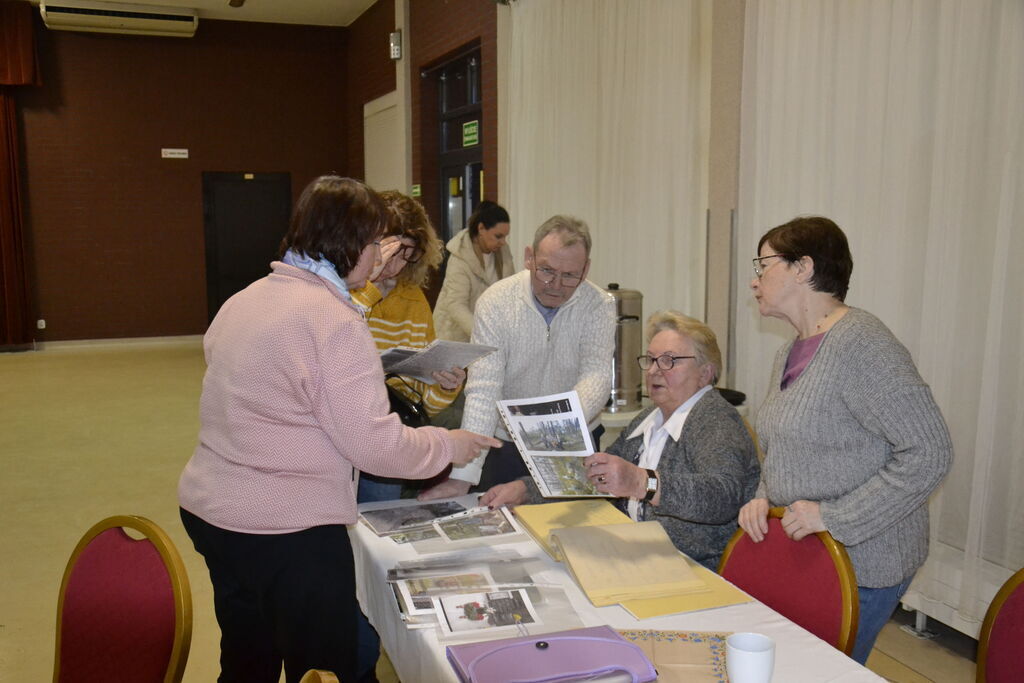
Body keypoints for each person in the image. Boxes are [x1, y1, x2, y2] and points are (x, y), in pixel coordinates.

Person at [177, 176, 499, 683]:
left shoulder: (247, 297)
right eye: (376, 243)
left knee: (247, 658)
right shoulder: (333, 320)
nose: (380, 257)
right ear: (349, 242)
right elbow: (377, 447)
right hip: (284, 529)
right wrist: (450, 445)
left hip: (213, 513)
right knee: (327, 668)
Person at [736, 215, 952, 665]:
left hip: (866, 561)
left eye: (763, 265)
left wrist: (837, 516)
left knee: (821, 672)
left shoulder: (863, 344)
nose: (755, 281)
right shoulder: (788, 350)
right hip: (810, 554)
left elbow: (930, 451)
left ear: (802, 268)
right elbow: (783, 449)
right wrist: (762, 497)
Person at [482, 311, 760, 570]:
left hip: (689, 568)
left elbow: (722, 497)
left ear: (705, 373)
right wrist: (526, 489)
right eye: (650, 359)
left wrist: (641, 482)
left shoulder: (716, 420)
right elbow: (597, 477)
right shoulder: (650, 416)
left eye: (669, 360)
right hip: (636, 556)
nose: (653, 370)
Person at [419, 215, 616, 500]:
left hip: (572, 439)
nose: (556, 285)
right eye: (546, 270)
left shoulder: (599, 304)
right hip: (506, 443)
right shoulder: (496, 301)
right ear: (528, 257)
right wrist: (463, 475)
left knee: (568, 531)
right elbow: (484, 389)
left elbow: (596, 375)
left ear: (586, 270)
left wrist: (554, 426)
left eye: (570, 275)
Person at [351, 190, 466, 502]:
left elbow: (422, 398)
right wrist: (370, 288)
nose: (396, 265)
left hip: (388, 426)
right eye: (391, 251)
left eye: (408, 254)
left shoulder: (412, 298)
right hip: (339, 423)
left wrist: (444, 384)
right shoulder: (343, 288)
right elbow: (335, 335)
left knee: (381, 504)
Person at [433, 200, 515, 343]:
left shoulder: (503, 252)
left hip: (486, 335)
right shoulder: (460, 257)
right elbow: (456, 305)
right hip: (454, 337)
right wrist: (482, 334)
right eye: (498, 236)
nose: (503, 242)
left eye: (505, 236)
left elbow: (510, 291)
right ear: (481, 228)